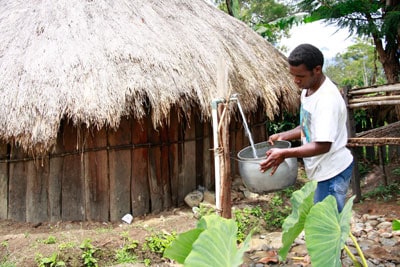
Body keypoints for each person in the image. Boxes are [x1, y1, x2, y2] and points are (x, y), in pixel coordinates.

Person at [259, 43, 354, 212]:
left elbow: (323, 145)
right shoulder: (307, 90)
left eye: (300, 76)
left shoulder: (326, 100)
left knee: (328, 229)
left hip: (332, 172)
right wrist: (284, 136)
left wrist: (285, 153)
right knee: (325, 225)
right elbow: (307, 126)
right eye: (293, 76)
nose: (296, 81)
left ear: (317, 69)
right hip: (322, 170)